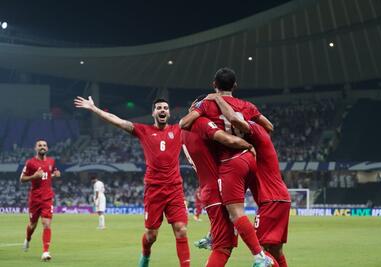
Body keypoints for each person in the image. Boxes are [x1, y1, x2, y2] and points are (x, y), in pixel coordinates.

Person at [74, 96, 190, 267]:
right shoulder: (144, 130)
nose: (163, 110)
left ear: (169, 112)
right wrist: (94, 109)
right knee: (151, 236)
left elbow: (197, 118)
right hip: (154, 190)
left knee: (181, 230)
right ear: (153, 113)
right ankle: (145, 255)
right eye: (159, 108)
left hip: (175, 189)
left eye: (165, 107)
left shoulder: (178, 129)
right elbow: (118, 121)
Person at [180, 68, 274, 267]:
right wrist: (250, 139)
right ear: (235, 85)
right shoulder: (247, 105)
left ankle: (259, 256)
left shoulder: (201, 117)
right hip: (250, 161)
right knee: (226, 242)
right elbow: (268, 127)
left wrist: (205, 103)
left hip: (227, 168)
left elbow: (197, 129)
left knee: (233, 221)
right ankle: (217, 235)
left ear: (214, 84)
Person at [210, 93, 291, 267]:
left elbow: (235, 120)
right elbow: (270, 125)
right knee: (276, 251)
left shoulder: (254, 129)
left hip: (270, 200)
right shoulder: (263, 131)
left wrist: (218, 99)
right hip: (281, 198)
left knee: (261, 253)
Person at [182, 97, 256, 266]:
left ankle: (212, 234)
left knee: (224, 245)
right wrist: (249, 146)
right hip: (217, 190)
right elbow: (227, 139)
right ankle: (259, 255)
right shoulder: (200, 122)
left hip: (209, 189)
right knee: (223, 246)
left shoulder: (183, 132)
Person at [20, 139, 61, 261]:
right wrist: (33, 176)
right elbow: (22, 179)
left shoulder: (51, 161)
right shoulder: (30, 163)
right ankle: (27, 239)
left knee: (46, 224)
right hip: (35, 198)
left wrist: (55, 175)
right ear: (35, 148)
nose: (42, 147)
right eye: (40, 145)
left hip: (47, 197)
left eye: (44, 145)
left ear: (47, 148)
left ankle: (45, 252)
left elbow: (48, 175)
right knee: (33, 224)